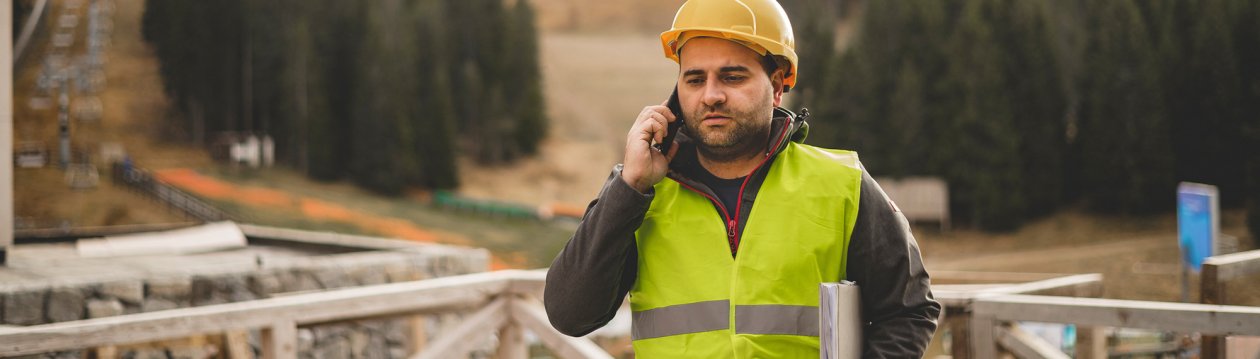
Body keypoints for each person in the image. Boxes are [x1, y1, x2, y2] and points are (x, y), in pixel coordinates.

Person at [544, 0, 940, 357]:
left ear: (778, 85)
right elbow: (570, 315)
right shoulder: (640, 194)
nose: (711, 95)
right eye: (695, 79)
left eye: (732, 77)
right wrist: (629, 187)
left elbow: (909, 311)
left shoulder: (842, 184)